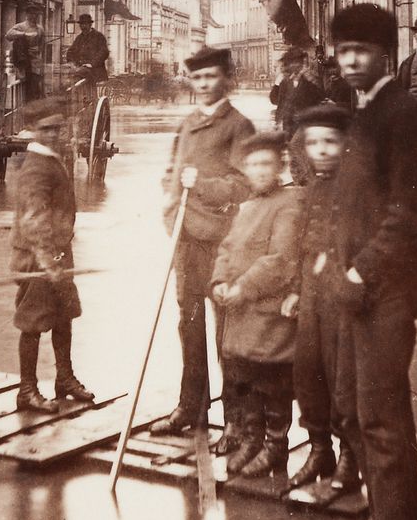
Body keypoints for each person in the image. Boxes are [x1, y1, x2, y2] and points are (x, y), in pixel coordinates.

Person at [326, 1, 417, 520]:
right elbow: (354, 203)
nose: (349, 60)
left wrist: (362, 271)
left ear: (384, 53)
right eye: (342, 51)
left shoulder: (402, 113)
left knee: (385, 419)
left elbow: (408, 212)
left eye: (360, 51)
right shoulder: (363, 110)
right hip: (361, 288)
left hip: (388, 287)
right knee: (365, 415)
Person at [151, 45, 257, 436]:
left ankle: (235, 419)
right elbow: (171, 170)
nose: (204, 84)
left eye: (211, 76)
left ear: (226, 78)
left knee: (227, 330)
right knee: (189, 325)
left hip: (223, 243)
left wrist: (206, 187)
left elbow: (247, 184)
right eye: (197, 78)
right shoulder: (188, 122)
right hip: (187, 240)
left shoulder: (239, 126)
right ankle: (190, 408)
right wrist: (169, 198)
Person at [210, 133, 303, 478]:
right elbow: (227, 248)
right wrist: (220, 280)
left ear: (279, 166)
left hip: (268, 313)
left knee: (272, 381)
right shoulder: (246, 207)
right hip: (240, 313)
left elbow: (280, 259)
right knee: (243, 376)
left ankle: (276, 446)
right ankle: (252, 440)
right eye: (253, 165)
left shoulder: (289, 204)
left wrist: (243, 288)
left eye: (266, 164)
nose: (260, 171)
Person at [284, 101, 359, 491]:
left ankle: (350, 454)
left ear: (346, 144)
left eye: (331, 141)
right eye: (313, 143)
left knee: (342, 374)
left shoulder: (358, 189)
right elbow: (304, 241)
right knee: (307, 368)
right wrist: (298, 289)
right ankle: (319, 448)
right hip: (313, 293)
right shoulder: (312, 187)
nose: (322, 150)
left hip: (344, 298)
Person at [10, 98, 95, 413]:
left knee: (64, 315)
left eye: (58, 128)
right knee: (32, 321)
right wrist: (48, 262)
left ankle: (64, 378)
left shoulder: (52, 159)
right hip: (37, 256)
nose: (53, 134)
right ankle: (27, 390)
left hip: (57, 254)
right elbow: (34, 220)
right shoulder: (35, 168)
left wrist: (60, 257)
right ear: (32, 130)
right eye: (46, 129)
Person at [268, 46, 325, 180]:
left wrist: (312, 80)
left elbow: (321, 96)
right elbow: (276, 101)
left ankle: (310, 180)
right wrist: (277, 122)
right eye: (291, 62)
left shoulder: (310, 79)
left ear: (301, 63)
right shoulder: (285, 81)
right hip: (289, 124)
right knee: (293, 154)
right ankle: (299, 182)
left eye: (297, 62)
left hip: (307, 123)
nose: (294, 65)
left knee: (297, 147)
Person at [4, 11, 45, 104]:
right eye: (31, 15)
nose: (33, 17)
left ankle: (33, 107)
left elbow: (42, 45)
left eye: (35, 15)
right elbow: (8, 35)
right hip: (23, 61)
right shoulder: (21, 26)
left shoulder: (40, 29)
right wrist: (23, 34)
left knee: (34, 87)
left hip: (35, 62)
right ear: (27, 15)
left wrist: (38, 54)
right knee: (23, 86)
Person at [65, 14, 110, 87]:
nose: (83, 27)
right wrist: (72, 63)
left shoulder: (98, 36)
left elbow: (104, 52)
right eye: (81, 24)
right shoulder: (79, 38)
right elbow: (71, 52)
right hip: (81, 70)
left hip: (95, 71)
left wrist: (92, 64)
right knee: (71, 80)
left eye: (85, 24)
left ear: (90, 24)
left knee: (91, 93)